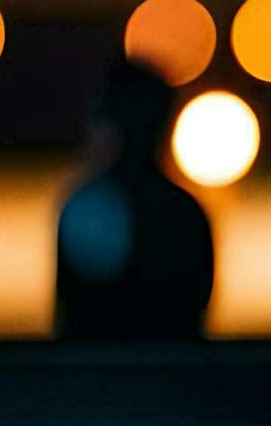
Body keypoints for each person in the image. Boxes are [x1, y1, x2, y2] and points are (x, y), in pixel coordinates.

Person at [56, 62, 213, 339]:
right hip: (174, 376)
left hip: (97, 377)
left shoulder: (86, 209)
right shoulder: (187, 214)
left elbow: (71, 316)